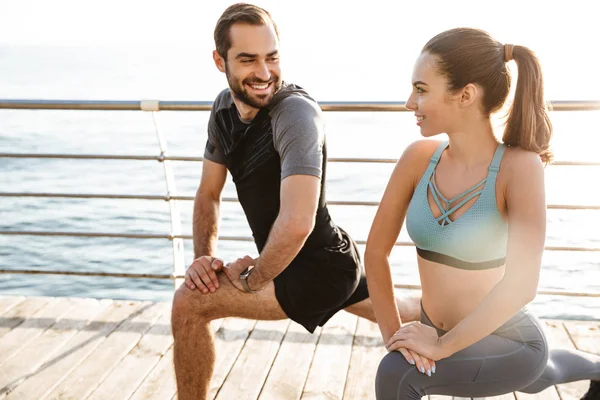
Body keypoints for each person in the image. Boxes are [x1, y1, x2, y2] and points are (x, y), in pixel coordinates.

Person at [169, 3, 421, 399]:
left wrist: (254, 278)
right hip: (313, 258)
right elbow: (208, 194)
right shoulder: (222, 111)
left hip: (318, 269)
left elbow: (299, 220)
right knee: (405, 310)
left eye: (272, 57)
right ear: (220, 61)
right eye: (248, 59)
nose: (264, 73)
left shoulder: (296, 115)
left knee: (189, 304)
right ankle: (483, 320)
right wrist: (204, 260)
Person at [365, 27, 600, 400]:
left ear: (466, 95)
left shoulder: (519, 168)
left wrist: (442, 348)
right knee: (541, 375)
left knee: (398, 376)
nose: (411, 102)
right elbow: (376, 254)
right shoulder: (417, 158)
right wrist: (398, 338)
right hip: (440, 331)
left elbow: (522, 284)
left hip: (510, 339)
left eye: (421, 89)